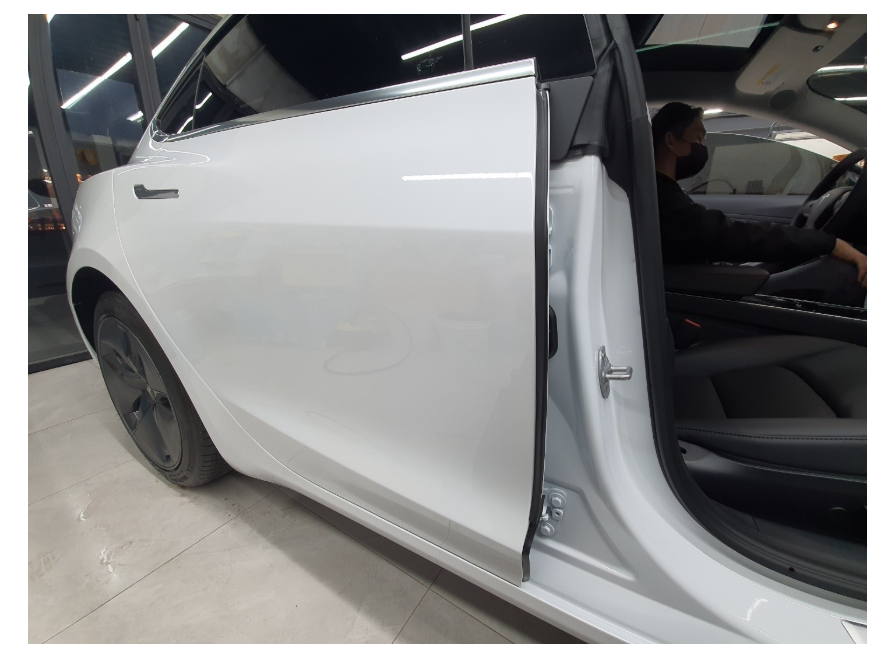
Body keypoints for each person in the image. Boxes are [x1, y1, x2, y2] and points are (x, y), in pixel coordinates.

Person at [651, 102, 866, 306]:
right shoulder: (664, 200)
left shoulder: (659, 191)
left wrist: (815, 243)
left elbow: (725, 235)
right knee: (843, 274)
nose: (703, 149)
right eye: (698, 141)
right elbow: (731, 235)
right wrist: (830, 243)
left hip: (710, 283)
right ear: (671, 141)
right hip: (710, 295)